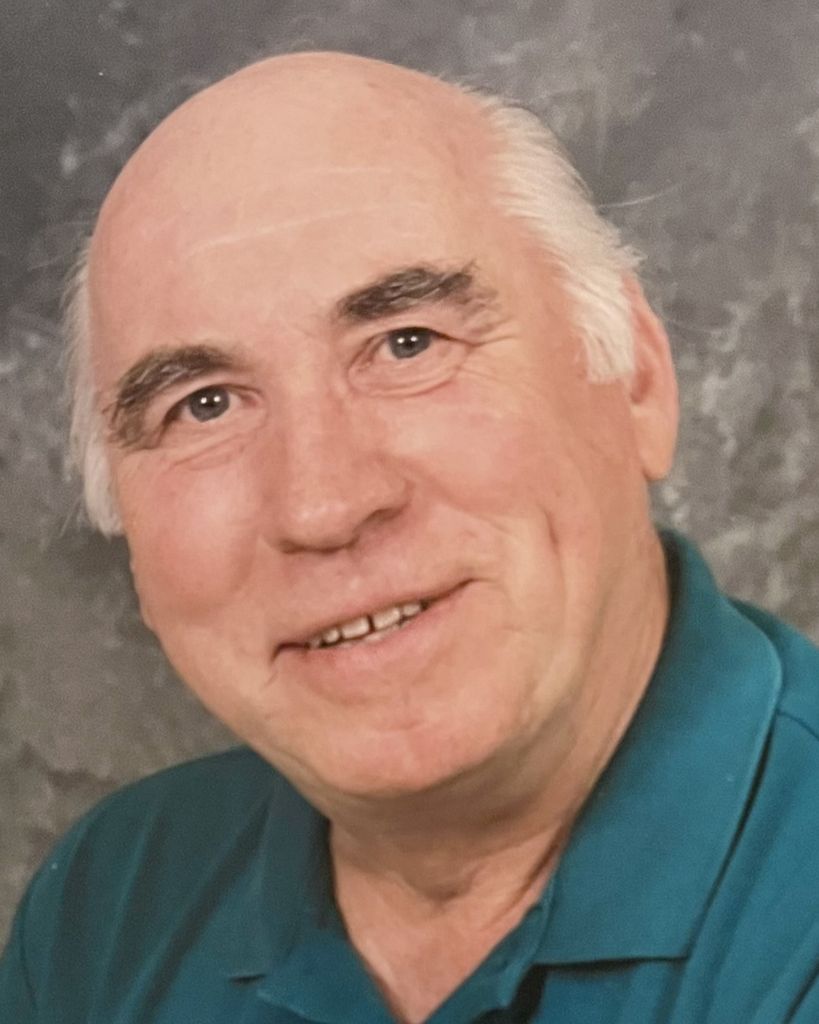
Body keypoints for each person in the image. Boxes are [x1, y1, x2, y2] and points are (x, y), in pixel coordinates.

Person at [2, 50, 819, 1024]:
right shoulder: (106, 911)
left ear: (636, 378)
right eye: (204, 404)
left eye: (407, 344)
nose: (323, 506)